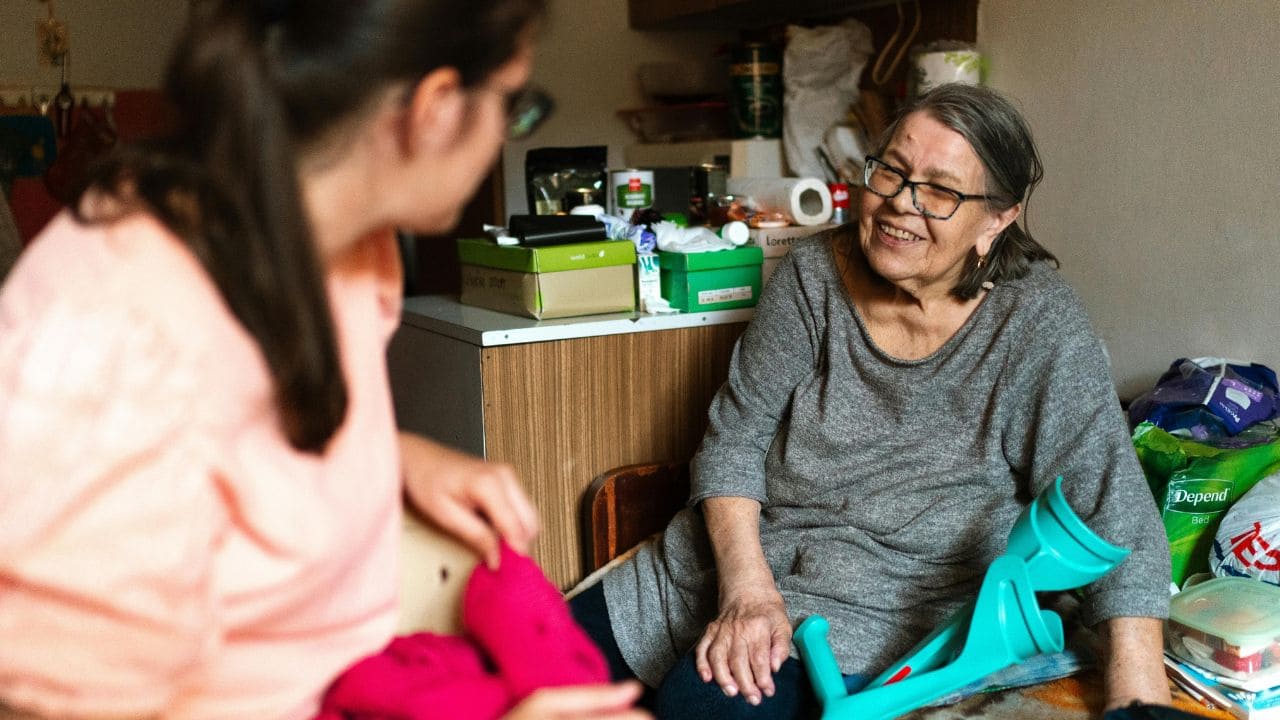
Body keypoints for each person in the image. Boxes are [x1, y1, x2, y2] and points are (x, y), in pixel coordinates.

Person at [0, 1, 646, 718]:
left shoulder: (346, 251)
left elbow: (245, 442)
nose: (508, 130)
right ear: (432, 107)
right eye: (514, 103)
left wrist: (394, 456)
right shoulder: (122, 339)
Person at [571, 83, 1173, 719]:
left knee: (706, 705)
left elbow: (1112, 504)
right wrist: (746, 590)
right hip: (731, 560)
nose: (899, 206)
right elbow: (734, 441)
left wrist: (1140, 702)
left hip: (885, 604)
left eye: (940, 191)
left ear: (997, 218)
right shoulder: (812, 277)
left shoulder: (1038, 323)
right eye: (890, 170)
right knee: (505, 667)